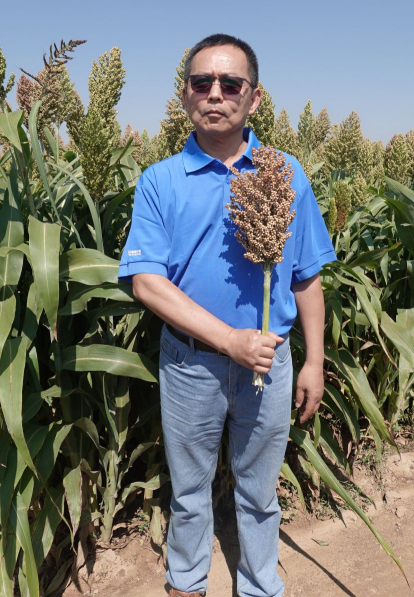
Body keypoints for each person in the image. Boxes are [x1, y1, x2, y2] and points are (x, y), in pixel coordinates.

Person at [118, 34, 336, 597]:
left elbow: (307, 276)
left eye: (230, 83)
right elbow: (146, 281)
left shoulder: (284, 174)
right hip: (191, 365)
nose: (215, 94)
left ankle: (260, 585)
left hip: (272, 363)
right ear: (185, 94)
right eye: (201, 82)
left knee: (260, 491)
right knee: (189, 491)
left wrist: (314, 361)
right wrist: (229, 340)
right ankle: (186, 582)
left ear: (254, 97)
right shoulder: (161, 180)